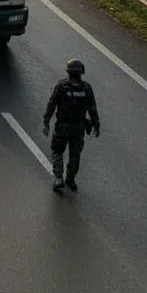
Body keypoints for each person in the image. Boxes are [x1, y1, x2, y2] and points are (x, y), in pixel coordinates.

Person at [42, 58, 100, 193]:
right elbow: (92, 109)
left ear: (68, 72)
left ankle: (58, 178)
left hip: (62, 126)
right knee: (75, 155)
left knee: (57, 151)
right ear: (81, 72)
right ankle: (70, 179)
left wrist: (46, 123)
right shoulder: (86, 89)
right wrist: (96, 125)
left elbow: (51, 105)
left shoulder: (61, 87)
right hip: (78, 128)